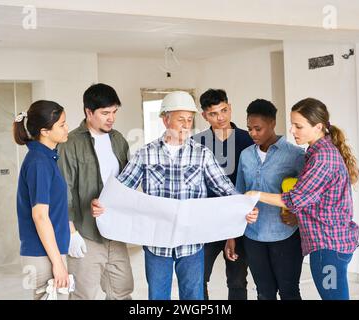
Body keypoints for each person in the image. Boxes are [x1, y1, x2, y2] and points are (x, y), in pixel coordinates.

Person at [92, 91, 258, 300]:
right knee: (158, 298)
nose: (186, 125)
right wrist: (102, 205)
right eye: (181, 119)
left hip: (191, 243)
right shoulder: (146, 153)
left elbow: (225, 188)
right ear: (165, 119)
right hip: (156, 242)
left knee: (193, 298)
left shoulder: (202, 154)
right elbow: (122, 188)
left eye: (190, 120)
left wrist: (245, 207)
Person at [245, 97, 359, 300]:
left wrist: (257, 194)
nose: (292, 131)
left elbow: (295, 199)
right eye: (292, 125)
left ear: (318, 127)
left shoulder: (322, 157)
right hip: (329, 245)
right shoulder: (317, 152)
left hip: (328, 247)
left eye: (298, 126)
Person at [58, 83, 134, 300]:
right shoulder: (69, 143)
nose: (111, 118)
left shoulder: (118, 139)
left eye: (114, 112)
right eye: (104, 113)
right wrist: (71, 233)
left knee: (122, 291)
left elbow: (126, 183)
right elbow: (64, 192)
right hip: (86, 233)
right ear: (88, 112)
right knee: (84, 295)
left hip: (115, 231)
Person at [225, 99, 305, 300]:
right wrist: (231, 235)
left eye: (258, 128)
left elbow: (307, 196)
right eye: (249, 128)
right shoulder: (246, 155)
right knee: (264, 292)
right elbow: (239, 195)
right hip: (253, 237)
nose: (253, 133)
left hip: (286, 235)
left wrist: (298, 217)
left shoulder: (295, 155)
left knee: (289, 292)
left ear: (272, 123)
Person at [192, 89, 253, 300]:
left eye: (224, 110)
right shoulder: (195, 144)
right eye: (213, 113)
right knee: (198, 277)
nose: (221, 117)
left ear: (230, 107)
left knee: (237, 279)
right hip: (206, 221)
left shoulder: (248, 140)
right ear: (204, 116)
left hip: (238, 220)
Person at [13, 100, 70, 300]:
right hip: (43, 255)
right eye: (61, 125)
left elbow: (55, 209)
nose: (66, 129)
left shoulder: (47, 158)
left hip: (48, 251)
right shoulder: (39, 163)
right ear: (45, 131)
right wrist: (58, 263)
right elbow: (40, 216)